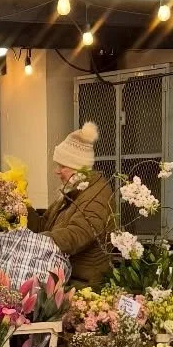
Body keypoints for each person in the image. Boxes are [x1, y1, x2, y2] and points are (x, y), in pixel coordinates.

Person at [34, 121, 113, 287]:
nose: (57, 171)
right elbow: (43, 226)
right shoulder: (71, 192)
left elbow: (77, 235)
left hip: (84, 286)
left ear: (78, 167)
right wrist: (20, 210)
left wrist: (35, 241)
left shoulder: (97, 195)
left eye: (62, 166)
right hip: (66, 279)